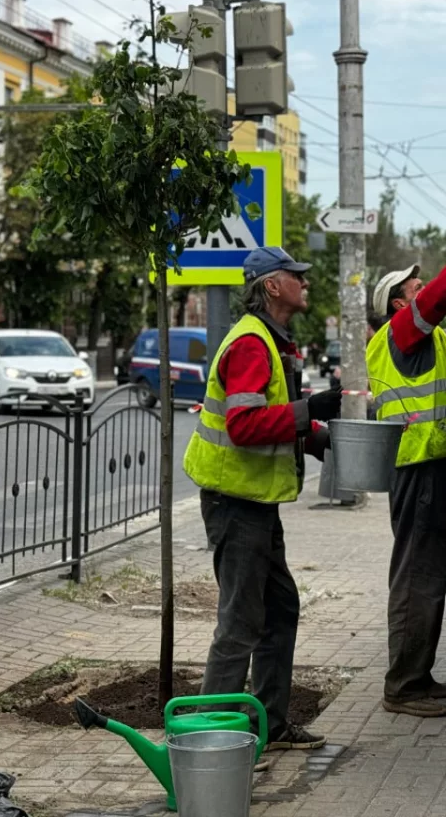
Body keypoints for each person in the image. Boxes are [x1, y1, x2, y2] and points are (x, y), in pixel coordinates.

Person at [183, 246, 342, 751]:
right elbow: (245, 425)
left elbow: (274, 420)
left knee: (279, 609)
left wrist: (324, 439)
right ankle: (209, 742)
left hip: (254, 502)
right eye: (297, 276)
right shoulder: (252, 343)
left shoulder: (272, 341)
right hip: (235, 504)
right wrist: (309, 411)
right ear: (272, 285)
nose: (305, 283)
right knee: (241, 622)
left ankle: (268, 728)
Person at [366, 255, 446, 717]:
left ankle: (418, 674)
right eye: (415, 287)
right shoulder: (400, 331)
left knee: (430, 574)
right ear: (399, 304)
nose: (424, 287)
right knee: (418, 576)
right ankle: (403, 686)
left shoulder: (430, 342)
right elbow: (436, 298)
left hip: (429, 465)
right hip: (417, 463)